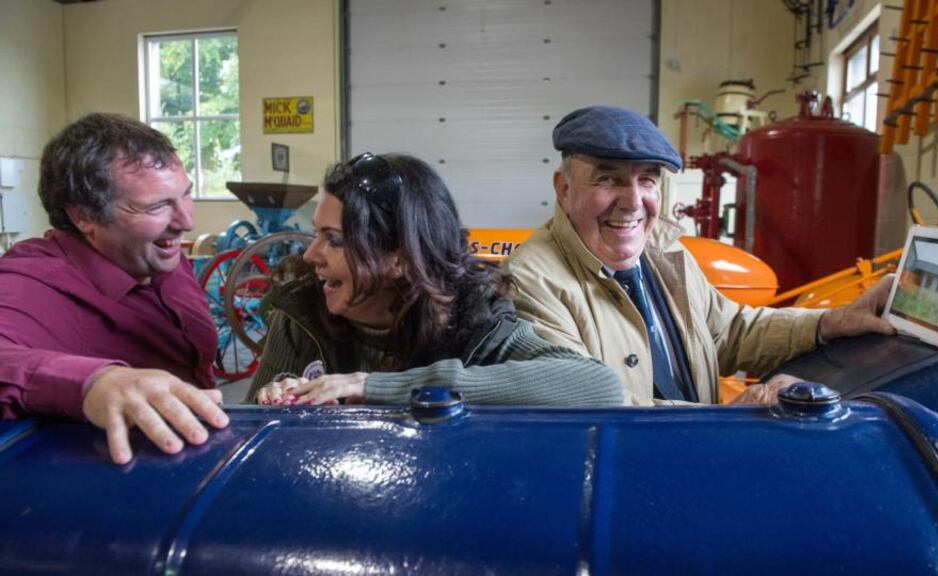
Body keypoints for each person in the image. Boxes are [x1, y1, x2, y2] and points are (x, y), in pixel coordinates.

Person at [504, 105, 894, 406]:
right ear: (564, 188)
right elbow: (591, 413)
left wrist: (831, 322)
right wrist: (727, 419)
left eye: (647, 180)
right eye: (607, 179)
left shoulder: (664, 251)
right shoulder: (532, 282)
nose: (633, 201)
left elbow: (729, 332)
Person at [247, 152, 622, 407]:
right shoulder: (301, 311)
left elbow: (597, 385)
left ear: (399, 257)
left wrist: (373, 386)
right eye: (317, 234)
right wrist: (278, 392)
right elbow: (252, 423)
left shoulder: (473, 320)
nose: (310, 255)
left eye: (334, 240)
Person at [0, 113, 229, 464]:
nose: (186, 221)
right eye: (156, 206)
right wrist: (93, 382)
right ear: (83, 217)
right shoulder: (28, 281)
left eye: (185, 195)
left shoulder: (158, 255)